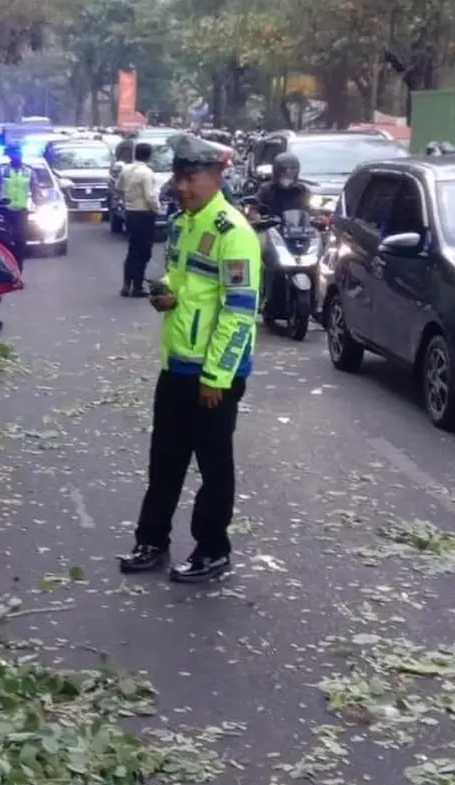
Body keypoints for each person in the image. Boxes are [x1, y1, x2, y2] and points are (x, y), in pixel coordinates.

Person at [118, 134, 262, 583]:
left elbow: (239, 313)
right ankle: (152, 540)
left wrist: (216, 376)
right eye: (178, 176)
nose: (181, 186)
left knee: (213, 466)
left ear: (216, 176)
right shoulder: (183, 223)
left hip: (213, 374)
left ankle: (213, 549)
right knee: (164, 458)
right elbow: (182, 282)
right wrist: (166, 294)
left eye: (191, 177)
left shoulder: (233, 234)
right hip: (178, 363)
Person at [253, 152, 311, 320]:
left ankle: (317, 300)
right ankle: (261, 293)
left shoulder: (302, 191)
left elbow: (311, 210)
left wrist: (318, 216)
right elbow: (255, 208)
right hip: (272, 232)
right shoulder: (266, 190)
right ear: (276, 172)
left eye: (291, 173)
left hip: (297, 234)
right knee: (259, 256)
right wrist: (257, 216)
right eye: (284, 172)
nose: (287, 177)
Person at [115, 141, 161, 297]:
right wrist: (157, 209)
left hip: (130, 213)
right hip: (144, 214)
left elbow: (119, 188)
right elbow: (150, 197)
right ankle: (137, 286)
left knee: (132, 249)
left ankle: (126, 284)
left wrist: (128, 199)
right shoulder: (147, 173)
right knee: (144, 251)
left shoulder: (126, 169)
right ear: (149, 156)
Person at [0, 143, 42, 266]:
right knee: (4, 242)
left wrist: (38, 205)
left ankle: (18, 267)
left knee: (21, 242)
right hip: (4, 211)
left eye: (18, 153)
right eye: (13, 154)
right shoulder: (1, 171)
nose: (16, 156)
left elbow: (36, 190)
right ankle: (6, 267)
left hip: (21, 212)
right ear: (9, 156)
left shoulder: (29, 171)